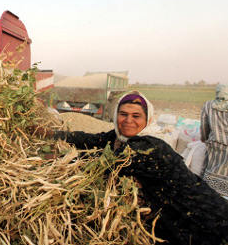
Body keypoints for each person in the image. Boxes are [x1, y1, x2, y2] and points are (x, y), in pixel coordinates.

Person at [51, 91, 228, 245]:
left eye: (136, 116)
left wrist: (57, 155)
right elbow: (91, 140)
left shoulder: (150, 146)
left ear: (148, 119)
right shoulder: (119, 138)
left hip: (205, 221)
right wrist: (51, 134)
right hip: (173, 221)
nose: (128, 120)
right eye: (123, 114)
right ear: (115, 115)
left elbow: (103, 163)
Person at [201, 84, 228, 198]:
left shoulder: (208, 105)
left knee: (211, 173)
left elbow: (204, 126)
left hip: (215, 146)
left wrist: (204, 139)